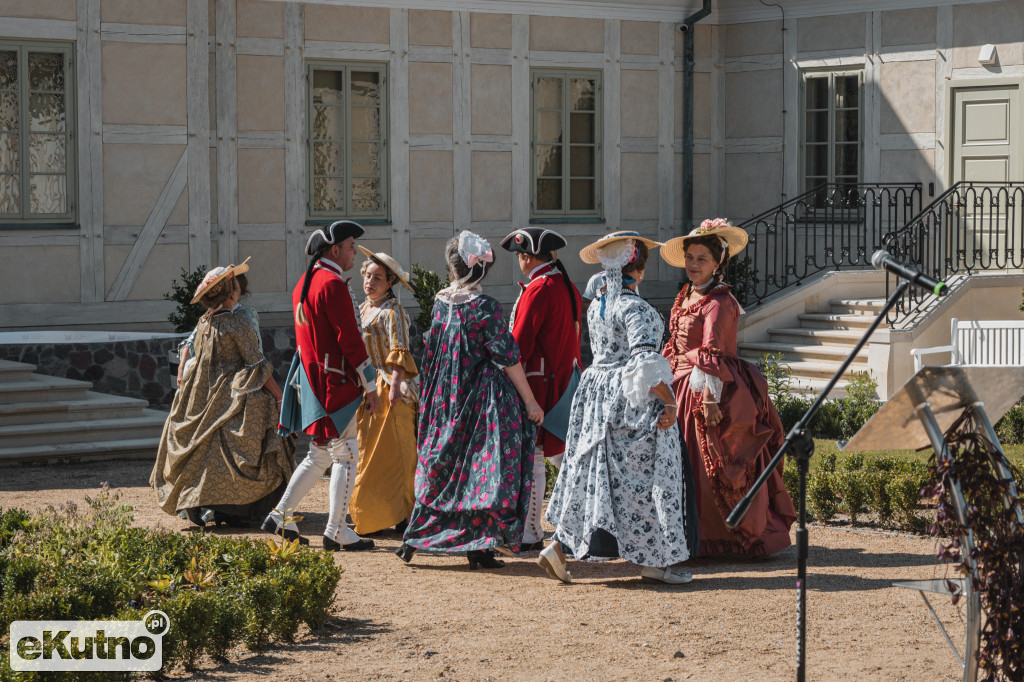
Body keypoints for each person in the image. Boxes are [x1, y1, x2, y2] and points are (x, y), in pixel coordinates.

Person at [540, 231, 693, 585]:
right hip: (628, 398)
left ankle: (560, 547)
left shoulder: (600, 304)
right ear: (637, 270)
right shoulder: (634, 307)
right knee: (647, 475)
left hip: (595, 391)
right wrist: (668, 402)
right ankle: (655, 560)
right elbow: (643, 361)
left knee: (593, 474)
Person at [395, 231, 544, 570]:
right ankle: (477, 544)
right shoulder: (485, 307)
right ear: (481, 269)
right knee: (483, 472)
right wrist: (531, 402)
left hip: (444, 397)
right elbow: (508, 357)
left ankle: (418, 539)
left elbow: (433, 353)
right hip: (480, 400)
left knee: (442, 467)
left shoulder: (439, 303)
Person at [661, 218, 797, 557]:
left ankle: (715, 539)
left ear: (718, 263)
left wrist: (709, 400)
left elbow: (712, 353)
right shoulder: (688, 294)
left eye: (701, 259)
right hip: (676, 384)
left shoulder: (719, 302)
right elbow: (675, 344)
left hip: (706, 389)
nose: (693, 265)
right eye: (690, 257)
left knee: (710, 467)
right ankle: (681, 533)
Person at [265, 220, 380, 551]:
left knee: (319, 454)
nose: (355, 252)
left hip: (316, 382)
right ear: (334, 250)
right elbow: (351, 342)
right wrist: (369, 385)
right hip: (335, 383)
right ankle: (336, 530)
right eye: (350, 246)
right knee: (346, 455)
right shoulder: (332, 284)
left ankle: (280, 515)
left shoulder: (306, 281)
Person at [151, 260, 294, 527]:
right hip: (232, 392)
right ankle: (245, 506)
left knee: (204, 441)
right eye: (236, 287)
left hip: (201, 393)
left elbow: (193, 352)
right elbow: (257, 364)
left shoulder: (204, 322)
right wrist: (278, 396)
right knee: (264, 418)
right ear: (232, 293)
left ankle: (202, 501)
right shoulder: (238, 323)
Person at [499, 227, 583, 551]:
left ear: (527, 257)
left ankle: (532, 532)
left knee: (536, 457)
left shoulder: (539, 288)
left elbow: (516, 346)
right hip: (564, 380)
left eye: (520, 255)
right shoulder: (564, 284)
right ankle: (571, 527)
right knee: (564, 457)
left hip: (540, 384)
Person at [349, 246, 419, 535]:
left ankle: (405, 513)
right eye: (367, 276)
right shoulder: (363, 309)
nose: (370, 282)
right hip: (365, 387)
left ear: (390, 283)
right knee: (366, 453)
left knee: (395, 453)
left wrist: (395, 388)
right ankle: (371, 515)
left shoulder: (393, 312)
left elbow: (399, 350)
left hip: (390, 388)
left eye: (378, 278)